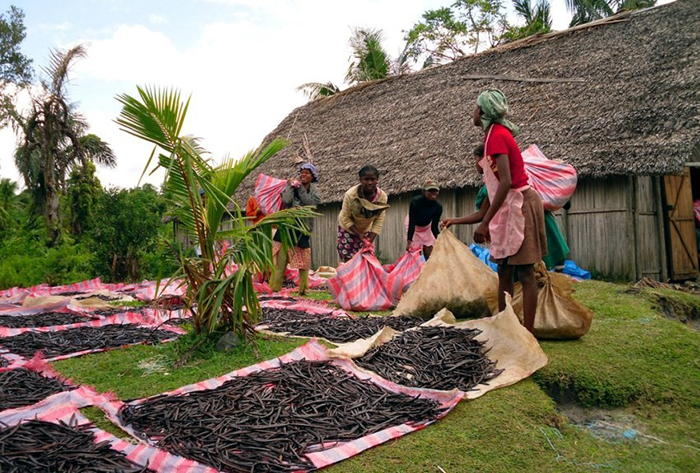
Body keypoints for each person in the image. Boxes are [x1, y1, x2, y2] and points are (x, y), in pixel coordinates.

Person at [443, 89, 546, 333]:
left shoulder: (498, 136)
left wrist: (485, 223)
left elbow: (507, 182)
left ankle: (527, 334)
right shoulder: (492, 136)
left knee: (526, 272)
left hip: (520, 206)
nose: (473, 111)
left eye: (475, 107)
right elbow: (497, 188)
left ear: (482, 111)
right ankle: (505, 325)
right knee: (504, 269)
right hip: (509, 208)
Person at [269, 163, 321, 295]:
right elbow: (286, 200)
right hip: (287, 227)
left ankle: (303, 289)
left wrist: (300, 188)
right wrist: (290, 187)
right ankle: (275, 288)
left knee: (303, 260)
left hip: (303, 229)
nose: (303, 175)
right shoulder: (291, 187)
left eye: (307, 173)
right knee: (281, 259)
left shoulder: (315, 191)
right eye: (302, 172)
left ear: (312, 177)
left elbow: (309, 202)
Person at [337, 165, 389, 263]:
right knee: (349, 260)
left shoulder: (382, 197)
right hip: (348, 228)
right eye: (366, 179)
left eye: (373, 179)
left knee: (365, 257)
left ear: (377, 180)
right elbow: (345, 218)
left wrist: (368, 241)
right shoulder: (351, 195)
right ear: (360, 180)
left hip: (366, 230)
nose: (370, 183)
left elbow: (379, 220)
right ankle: (349, 278)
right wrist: (359, 234)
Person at [405, 179, 443, 259]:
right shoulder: (415, 202)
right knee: (415, 254)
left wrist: (440, 240)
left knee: (430, 255)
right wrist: (409, 241)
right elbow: (412, 222)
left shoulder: (438, 207)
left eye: (435, 191)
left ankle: (429, 270)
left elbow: (434, 227)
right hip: (414, 227)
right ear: (424, 191)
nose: (433, 193)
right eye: (430, 190)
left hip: (427, 227)